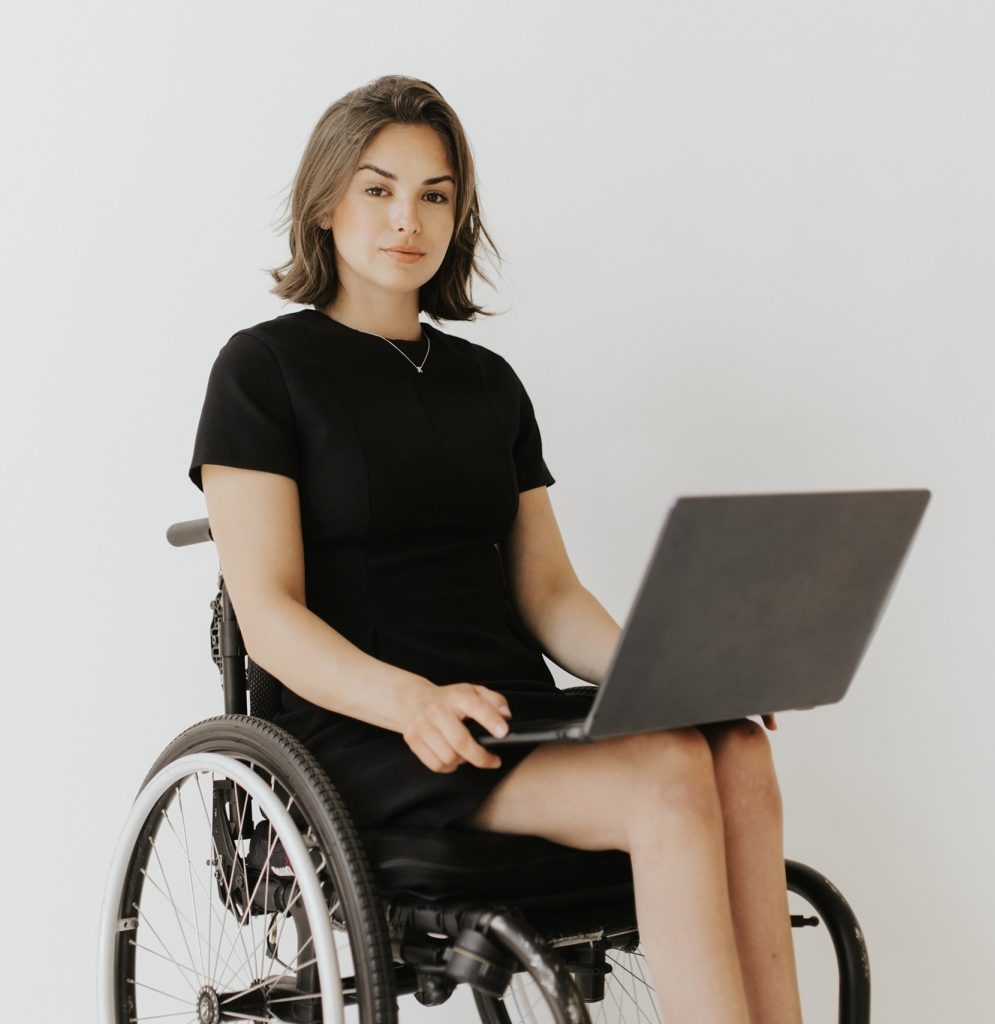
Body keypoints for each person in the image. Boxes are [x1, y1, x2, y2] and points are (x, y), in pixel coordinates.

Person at [188, 74, 802, 1024]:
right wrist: (410, 701)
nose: (408, 218)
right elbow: (267, 613)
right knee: (669, 774)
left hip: (504, 709)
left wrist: (670, 677)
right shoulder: (262, 371)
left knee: (734, 746)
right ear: (325, 203)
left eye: (435, 195)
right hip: (368, 729)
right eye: (378, 188)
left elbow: (549, 594)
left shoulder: (487, 383)